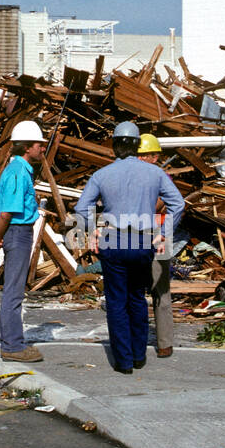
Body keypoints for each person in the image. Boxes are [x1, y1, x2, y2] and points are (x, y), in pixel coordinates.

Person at [76, 122, 185, 374]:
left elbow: (81, 207)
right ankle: (138, 355)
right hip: (142, 241)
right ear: (137, 146)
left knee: (116, 301)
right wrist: (164, 234)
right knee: (137, 297)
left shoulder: (101, 174)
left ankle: (123, 361)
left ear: (115, 145)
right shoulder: (155, 173)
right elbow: (177, 204)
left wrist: (92, 229)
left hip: (113, 240)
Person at [0, 120, 47, 363]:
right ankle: (12, 346)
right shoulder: (18, 172)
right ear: (26, 147)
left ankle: (12, 342)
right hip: (17, 232)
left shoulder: (18, 170)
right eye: (38, 144)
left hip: (18, 232)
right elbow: (6, 213)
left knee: (14, 290)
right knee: (14, 291)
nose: (42, 148)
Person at [137, 133, 177, 358]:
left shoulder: (162, 178)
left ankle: (164, 343)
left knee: (161, 291)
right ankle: (138, 338)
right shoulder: (133, 177)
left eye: (146, 156)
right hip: (137, 235)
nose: (141, 159)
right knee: (136, 290)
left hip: (158, 236)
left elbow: (168, 205)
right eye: (139, 155)